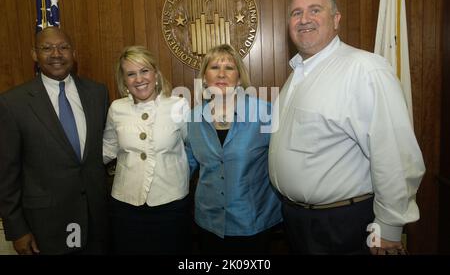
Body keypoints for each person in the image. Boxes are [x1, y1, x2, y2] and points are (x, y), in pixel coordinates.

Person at [268, 0, 426, 255]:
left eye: (314, 10)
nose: (304, 19)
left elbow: (394, 154)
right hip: (297, 222)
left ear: (336, 19)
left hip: (343, 226)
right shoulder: (296, 75)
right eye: (296, 13)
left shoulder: (364, 69)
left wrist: (388, 227)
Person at [0, 27, 110, 255]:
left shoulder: (97, 93)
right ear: (34, 54)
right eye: (47, 48)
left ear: (73, 53)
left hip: (96, 221)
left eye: (63, 47)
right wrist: (17, 229)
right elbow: (6, 173)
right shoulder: (13, 104)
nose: (56, 54)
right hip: (46, 226)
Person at [186, 44, 282, 255]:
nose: (221, 74)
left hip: (252, 222)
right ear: (204, 78)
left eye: (229, 68)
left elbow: (283, 161)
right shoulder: (192, 118)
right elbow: (187, 165)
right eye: (214, 67)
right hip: (208, 222)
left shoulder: (264, 112)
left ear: (239, 78)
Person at [103, 46, 191, 254]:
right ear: (124, 81)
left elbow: (194, 146)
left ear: (155, 74)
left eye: (144, 71)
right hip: (126, 206)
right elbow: (107, 149)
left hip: (171, 204)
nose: (139, 79)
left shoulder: (178, 105)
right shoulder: (117, 108)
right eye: (131, 74)